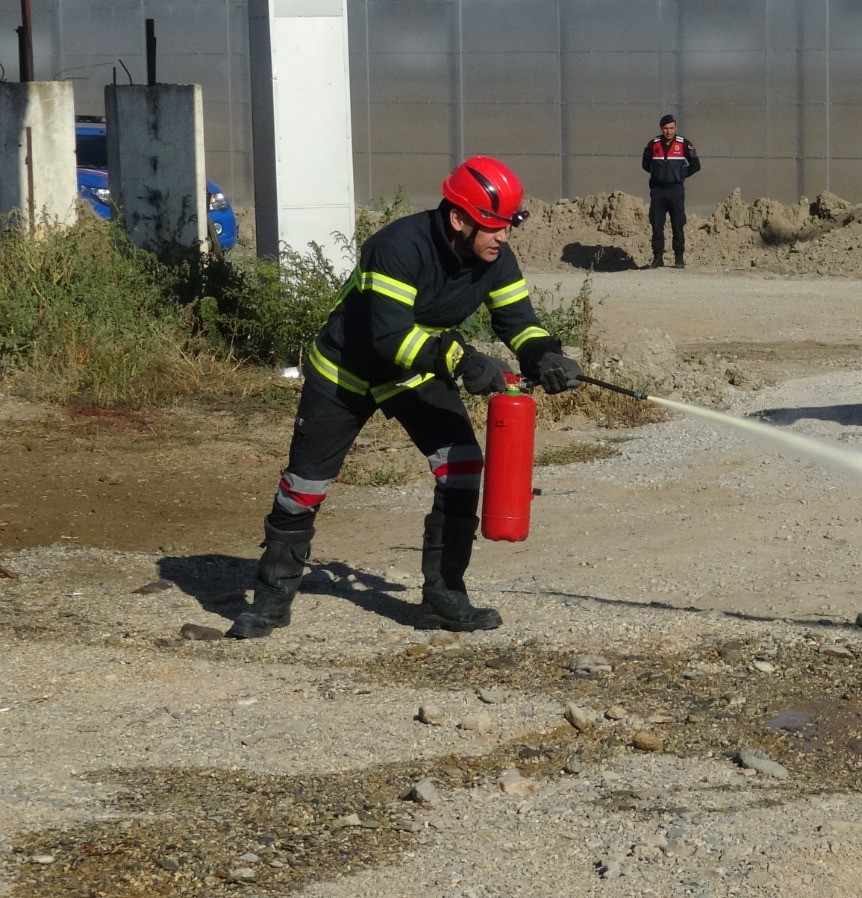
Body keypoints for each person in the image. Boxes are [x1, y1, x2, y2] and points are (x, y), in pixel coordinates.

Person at [227, 156, 584, 639]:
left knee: (461, 468)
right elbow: (390, 339)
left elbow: (518, 321)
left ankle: (444, 597)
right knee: (303, 488)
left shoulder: (494, 258)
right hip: (345, 374)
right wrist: (464, 361)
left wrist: (546, 355)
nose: (503, 237)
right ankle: (270, 602)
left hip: (414, 373)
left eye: (508, 227)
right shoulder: (398, 246)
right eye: (493, 226)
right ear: (459, 218)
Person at [642, 114, 700, 268]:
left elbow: (696, 165)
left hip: (676, 191)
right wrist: (657, 174)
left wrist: (680, 174)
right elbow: (645, 164)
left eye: (671, 128)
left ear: (676, 128)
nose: (669, 131)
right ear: (662, 129)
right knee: (657, 224)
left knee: (678, 224)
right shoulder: (653, 144)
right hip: (658, 190)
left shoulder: (684, 144)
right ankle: (657, 257)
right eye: (666, 128)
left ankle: (679, 258)